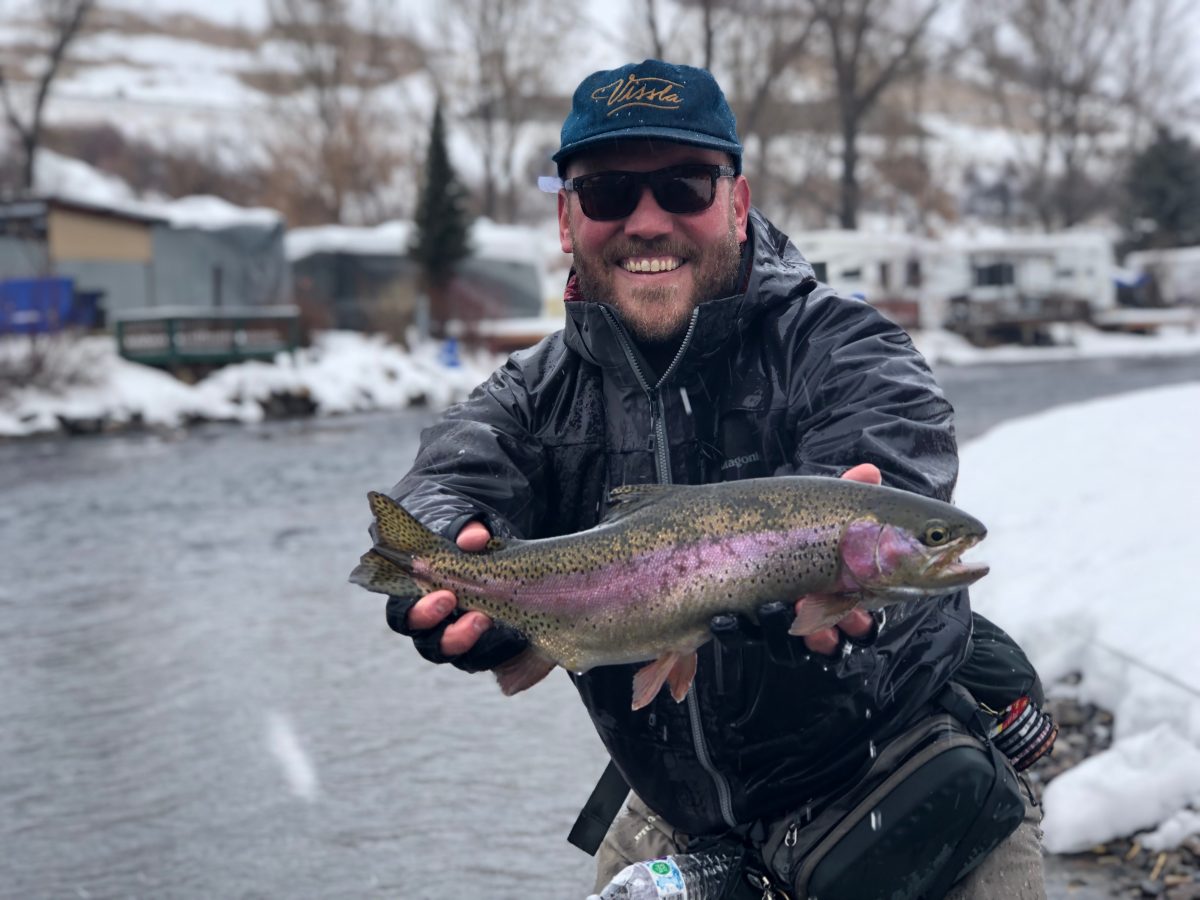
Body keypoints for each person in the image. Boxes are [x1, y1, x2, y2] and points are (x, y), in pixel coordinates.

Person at [378, 59, 1051, 899]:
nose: (648, 221)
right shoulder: (532, 392)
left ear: (736, 201)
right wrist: (443, 551)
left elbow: (894, 458)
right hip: (680, 818)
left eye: (686, 186)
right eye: (610, 192)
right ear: (566, 218)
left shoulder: (844, 347)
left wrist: (820, 585)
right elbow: (447, 471)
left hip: (902, 795)